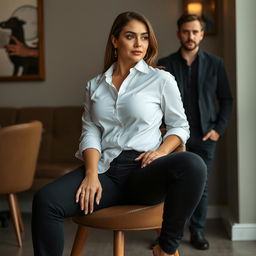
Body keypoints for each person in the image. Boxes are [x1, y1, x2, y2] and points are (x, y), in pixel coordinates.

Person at [32, 11, 206, 256]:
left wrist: (160, 152)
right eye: (131, 36)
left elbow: (180, 126)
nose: (139, 44)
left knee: (193, 164)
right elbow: (90, 131)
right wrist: (91, 174)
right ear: (115, 40)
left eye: (144, 38)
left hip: (145, 171)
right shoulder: (95, 85)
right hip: (107, 173)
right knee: (45, 201)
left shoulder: (161, 79)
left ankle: (165, 248)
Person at [157, 14, 233, 250]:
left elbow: (226, 99)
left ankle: (197, 231)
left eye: (195, 32)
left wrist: (217, 130)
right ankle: (168, 235)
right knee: (168, 185)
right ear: (179, 33)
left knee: (201, 186)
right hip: (171, 137)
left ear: (202, 34)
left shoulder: (215, 64)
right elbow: (154, 101)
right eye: (186, 31)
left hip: (203, 136)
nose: (190, 36)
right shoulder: (165, 64)